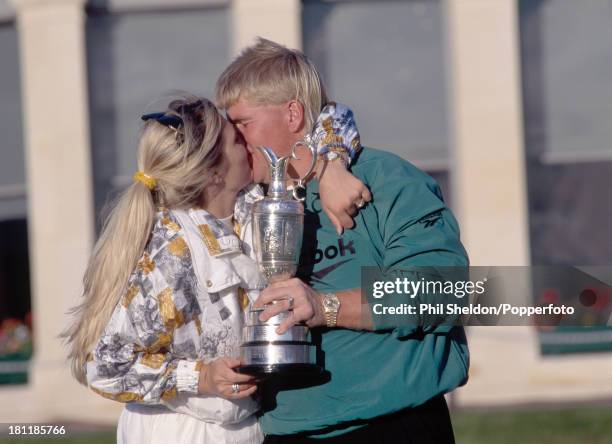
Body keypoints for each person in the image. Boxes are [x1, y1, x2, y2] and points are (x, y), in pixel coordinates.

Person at [62, 93, 368, 443]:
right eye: (237, 140)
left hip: (249, 426)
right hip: (178, 431)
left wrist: (332, 169)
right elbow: (103, 366)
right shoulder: (168, 251)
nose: (250, 142)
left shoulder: (253, 204)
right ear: (212, 175)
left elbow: (335, 114)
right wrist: (201, 377)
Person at [215, 38, 470, 443]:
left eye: (243, 123)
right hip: (283, 430)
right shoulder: (241, 202)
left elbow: (443, 290)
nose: (235, 140)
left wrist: (325, 307)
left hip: (393, 424)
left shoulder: (382, 180)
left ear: (293, 113)